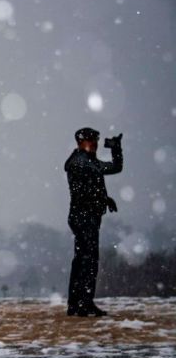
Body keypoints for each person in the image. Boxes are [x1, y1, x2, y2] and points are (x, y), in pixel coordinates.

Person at [64, 127, 123, 317]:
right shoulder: (82, 162)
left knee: (82, 260)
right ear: (81, 142)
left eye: (96, 141)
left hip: (83, 216)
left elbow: (96, 181)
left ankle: (76, 303)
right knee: (88, 261)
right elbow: (110, 170)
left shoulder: (85, 161)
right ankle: (84, 303)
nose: (95, 144)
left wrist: (104, 199)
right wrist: (116, 149)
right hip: (84, 217)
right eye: (91, 140)